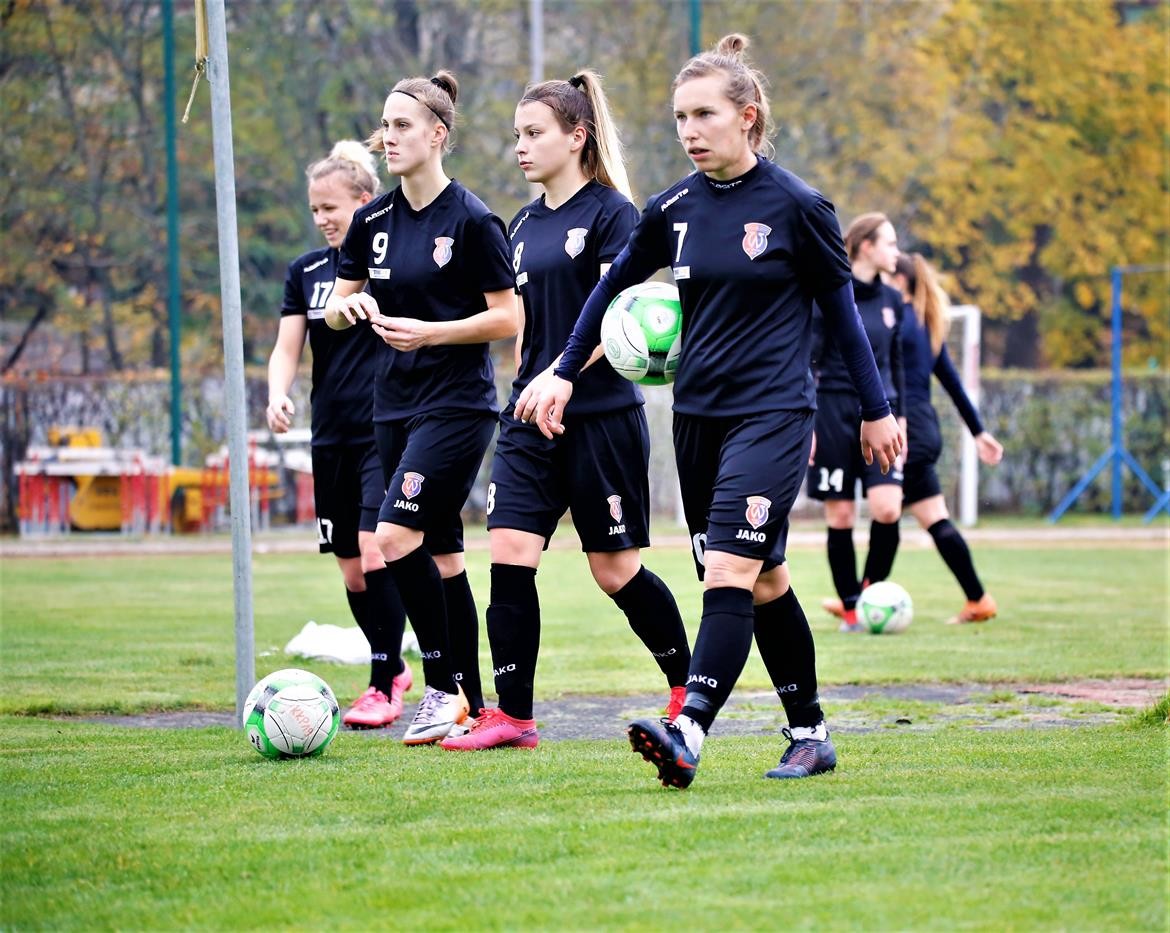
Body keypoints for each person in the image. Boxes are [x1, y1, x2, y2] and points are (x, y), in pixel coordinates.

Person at [516, 34, 902, 788]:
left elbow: (844, 319)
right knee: (763, 580)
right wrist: (563, 370)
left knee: (727, 569)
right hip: (695, 419)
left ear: (747, 116)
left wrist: (876, 410)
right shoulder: (672, 208)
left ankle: (687, 728)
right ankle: (810, 732)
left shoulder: (799, 207)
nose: (688, 131)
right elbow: (607, 291)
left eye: (703, 115)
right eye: (679, 118)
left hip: (774, 414)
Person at [440, 72, 692, 752]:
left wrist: (563, 377)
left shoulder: (614, 215)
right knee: (508, 554)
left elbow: (620, 319)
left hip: (601, 416)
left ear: (577, 136)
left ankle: (688, 688)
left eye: (534, 133)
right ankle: (512, 717)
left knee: (614, 571)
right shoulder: (521, 226)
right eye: (516, 135)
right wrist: (534, 380)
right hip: (529, 417)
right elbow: (526, 324)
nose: (520, 147)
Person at [324, 72, 519, 744]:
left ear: (438, 134)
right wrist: (348, 307)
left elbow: (508, 317)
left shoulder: (472, 219)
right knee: (443, 558)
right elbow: (335, 307)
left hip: (457, 404)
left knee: (392, 536)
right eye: (385, 125)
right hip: (392, 405)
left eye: (402, 125)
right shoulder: (372, 221)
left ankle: (439, 688)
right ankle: (474, 701)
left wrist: (432, 333)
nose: (388, 137)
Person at [265, 140, 412, 730]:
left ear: (365, 201)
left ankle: (383, 680)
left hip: (382, 429)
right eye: (315, 209)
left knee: (376, 549)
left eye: (332, 207)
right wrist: (277, 393)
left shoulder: (388, 264)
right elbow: (287, 347)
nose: (323, 219)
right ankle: (392, 667)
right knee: (352, 570)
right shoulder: (304, 272)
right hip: (330, 435)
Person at [892, 252, 1003, 623]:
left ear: (899, 280)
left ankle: (857, 602)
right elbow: (953, 385)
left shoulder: (898, 321)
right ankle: (978, 599)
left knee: (888, 512)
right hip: (924, 428)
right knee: (927, 517)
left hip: (906, 431)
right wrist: (979, 432)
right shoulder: (925, 323)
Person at [811, 213, 907, 632]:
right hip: (832, 411)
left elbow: (896, 364)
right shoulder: (831, 292)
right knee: (842, 516)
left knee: (887, 509)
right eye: (890, 243)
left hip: (881, 413)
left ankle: (871, 594)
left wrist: (901, 417)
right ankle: (851, 609)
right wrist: (809, 423)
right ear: (867, 246)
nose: (897, 252)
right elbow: (811, 358)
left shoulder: (892, 301)